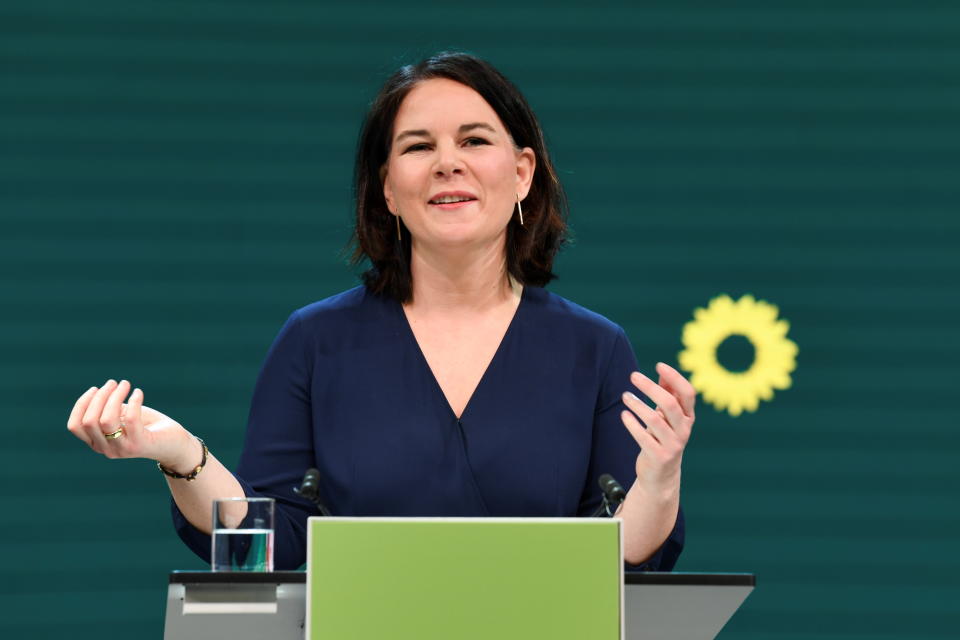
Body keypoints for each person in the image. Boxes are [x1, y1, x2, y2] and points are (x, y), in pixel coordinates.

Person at [66, 52, 694, 571]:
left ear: (524, 172)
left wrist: (661, 478)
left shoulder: (595, 348)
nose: (449, 162)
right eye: (419, 146)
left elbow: (623, 558)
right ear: (388, 187)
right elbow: (268, 549)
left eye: (474, 140)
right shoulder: (316, 340)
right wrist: (179, 453)